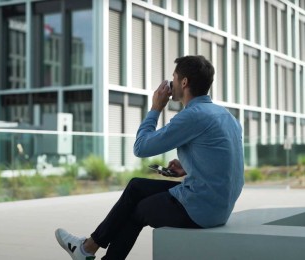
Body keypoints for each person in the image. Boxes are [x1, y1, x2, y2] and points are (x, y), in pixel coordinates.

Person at [55, 55, 244, 260]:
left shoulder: (193, 115)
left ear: (184, 82)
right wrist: (188, 166)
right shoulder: (226, 116)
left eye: (174, 77)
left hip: (201, 209)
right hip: (220, 206)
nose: (171, 83)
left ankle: (89, 250)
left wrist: (156, 107)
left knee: (135, 211)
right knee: (136, 186)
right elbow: (224, 161)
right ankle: (87, 248)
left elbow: (141, 147)